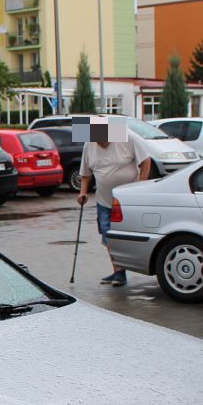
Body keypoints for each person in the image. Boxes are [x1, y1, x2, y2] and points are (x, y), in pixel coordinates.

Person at [75, 122, 151, 286]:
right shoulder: (89, 144)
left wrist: (141, 186)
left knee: (130, 236)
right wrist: (83, 192)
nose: (99, 143)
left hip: (128, 201)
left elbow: (146, 161)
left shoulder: (127, 136)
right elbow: (85, 173)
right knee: (108, 237)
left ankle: (135, 268)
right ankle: (119, 272)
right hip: (104, 200)